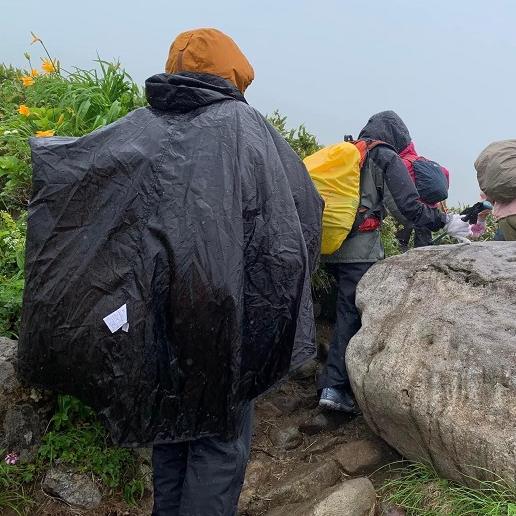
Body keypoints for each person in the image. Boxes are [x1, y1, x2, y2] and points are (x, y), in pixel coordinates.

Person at [18, 28, 323, 516]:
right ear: (233, 73)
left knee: (168, 417)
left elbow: (85, 183)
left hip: (154, 304)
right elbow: (302, 210)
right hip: (225, 309)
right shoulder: (248, 129)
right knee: (218, 437)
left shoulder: (140, 124)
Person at [317, 110, 471, 413]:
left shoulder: (349, 151)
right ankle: (335, 389)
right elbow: (407, 209)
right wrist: (446, 221)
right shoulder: (384, 155)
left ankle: (324, 375)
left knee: (339, 310)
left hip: (326, 244)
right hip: (358, 250)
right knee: (352, 314)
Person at [394, 142, 451, 251]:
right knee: (424, 244)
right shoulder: (427, 162)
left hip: (413, 206)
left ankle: (401, 257)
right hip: (431, 208)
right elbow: (446, 172)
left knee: (400, 242)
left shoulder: (402, 163)